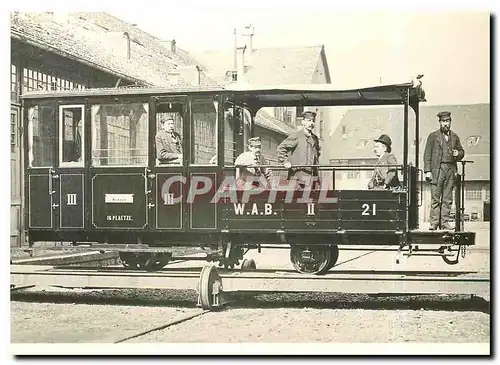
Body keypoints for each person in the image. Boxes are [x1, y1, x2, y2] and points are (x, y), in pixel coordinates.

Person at [423, 111, 465, 230]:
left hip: (451, 169)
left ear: (450, 122)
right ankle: (434, 223)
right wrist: (427, 171)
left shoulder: (455, 137)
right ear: (439, 122)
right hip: (437, 170)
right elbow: (427, 154)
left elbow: (461, 151)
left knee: (447, 198)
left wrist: (459, 154)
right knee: (435, 198)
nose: (445, 124)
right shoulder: (433, 136)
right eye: (443, 121)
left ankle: (444, 222)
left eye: (447, 121)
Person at [276, 111, 321, 189]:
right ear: (303, 122)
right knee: (297, 200)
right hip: (298, 178)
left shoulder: (315, 139)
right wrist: (285, 161)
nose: (311, 123)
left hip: (312, 178)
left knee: (311, 200)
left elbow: (316, 156)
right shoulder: (296, 136)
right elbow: (281, 148)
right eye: (309, 120)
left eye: (313, 121)